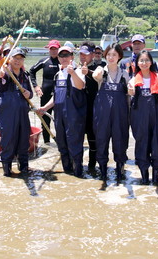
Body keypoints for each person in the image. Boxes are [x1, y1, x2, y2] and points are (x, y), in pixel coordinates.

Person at [39, 45, 86, 177]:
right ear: (58, 58)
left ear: (72, 57)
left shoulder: (79, 71)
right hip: (59, 115)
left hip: (74, 115)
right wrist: (44, 108)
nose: (64, 58)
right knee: (62, 143)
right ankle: (67, 172)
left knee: (75, 143)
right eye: (61, 56)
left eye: (67, 55)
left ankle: (78, 173)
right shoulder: (58, 74)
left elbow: (80, 86)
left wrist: (72, 73)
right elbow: (56, 96)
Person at [127, 50, 158, 185]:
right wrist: (130, 92)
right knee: (142, 145)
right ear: (137, 63)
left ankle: (156, 178)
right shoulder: (133, 80)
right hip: (140, 118)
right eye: (141, 60)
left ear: (151, 62)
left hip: (157, 116)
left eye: (147, 60)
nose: (144, 63)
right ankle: (144, 178)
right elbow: (131, 99)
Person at [92, 43, 130, 181]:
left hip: (120, 115)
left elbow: (130, 93)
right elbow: (96, 76)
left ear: (119, 56)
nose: (111, 57)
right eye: (108, 54)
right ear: (105, 56)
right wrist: (98, 74)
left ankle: (120, 171)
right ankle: (103, 172)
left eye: (114, 54)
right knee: (101, 141)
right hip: (102, 114)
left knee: (120, 141)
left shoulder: (124, 74)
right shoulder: (101, 70)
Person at [0, 48, 33, 176]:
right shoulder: (5, 73)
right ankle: (7, 168)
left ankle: (24, 167)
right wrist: (1, 73)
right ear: (9, 59)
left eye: (20, 59)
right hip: (8, 113)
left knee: (24, 139)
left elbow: (30, 94)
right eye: (15, 58)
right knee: (8, 139)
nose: (18, 61)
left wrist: (29, 94)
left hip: (23, 111)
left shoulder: (25, 76)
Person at [29, 39, 61, 143]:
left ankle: (61, 143)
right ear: (48, 49)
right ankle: (47, 143)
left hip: (59, 96)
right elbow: (31, 71)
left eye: (55, 49)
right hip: (46, 95)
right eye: (51, 49)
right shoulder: (44, 61)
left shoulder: (63, 61)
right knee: (45, 120)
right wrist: (36, 87)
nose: (53, 51)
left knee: (59, 120)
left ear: (58, 49)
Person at [79, 41, 98, 171]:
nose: (82, 57)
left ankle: (92, 167)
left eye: (85, 54)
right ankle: (78, 166)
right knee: (78, 140)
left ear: (92, 54)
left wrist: (88, 73)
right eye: (80, 54)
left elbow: (100, 78)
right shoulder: (74, 68)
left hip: (93, 111)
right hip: (78, 111)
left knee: (93, 141)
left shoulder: (99, 67)